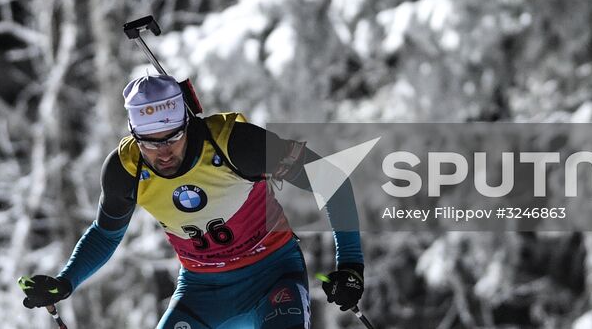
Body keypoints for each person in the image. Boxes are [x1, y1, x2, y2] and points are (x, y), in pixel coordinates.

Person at [19, 74, 366, 328]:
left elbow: (331, 178)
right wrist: (65, 282)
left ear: (186, 121)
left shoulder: (236, 144)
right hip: (202, 292)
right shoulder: (126, 169)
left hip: (272, 277)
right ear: (134, 135)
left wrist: (351, 267)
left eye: (172, 137)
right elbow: (106, 234)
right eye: (150, 143)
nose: (163, 152)